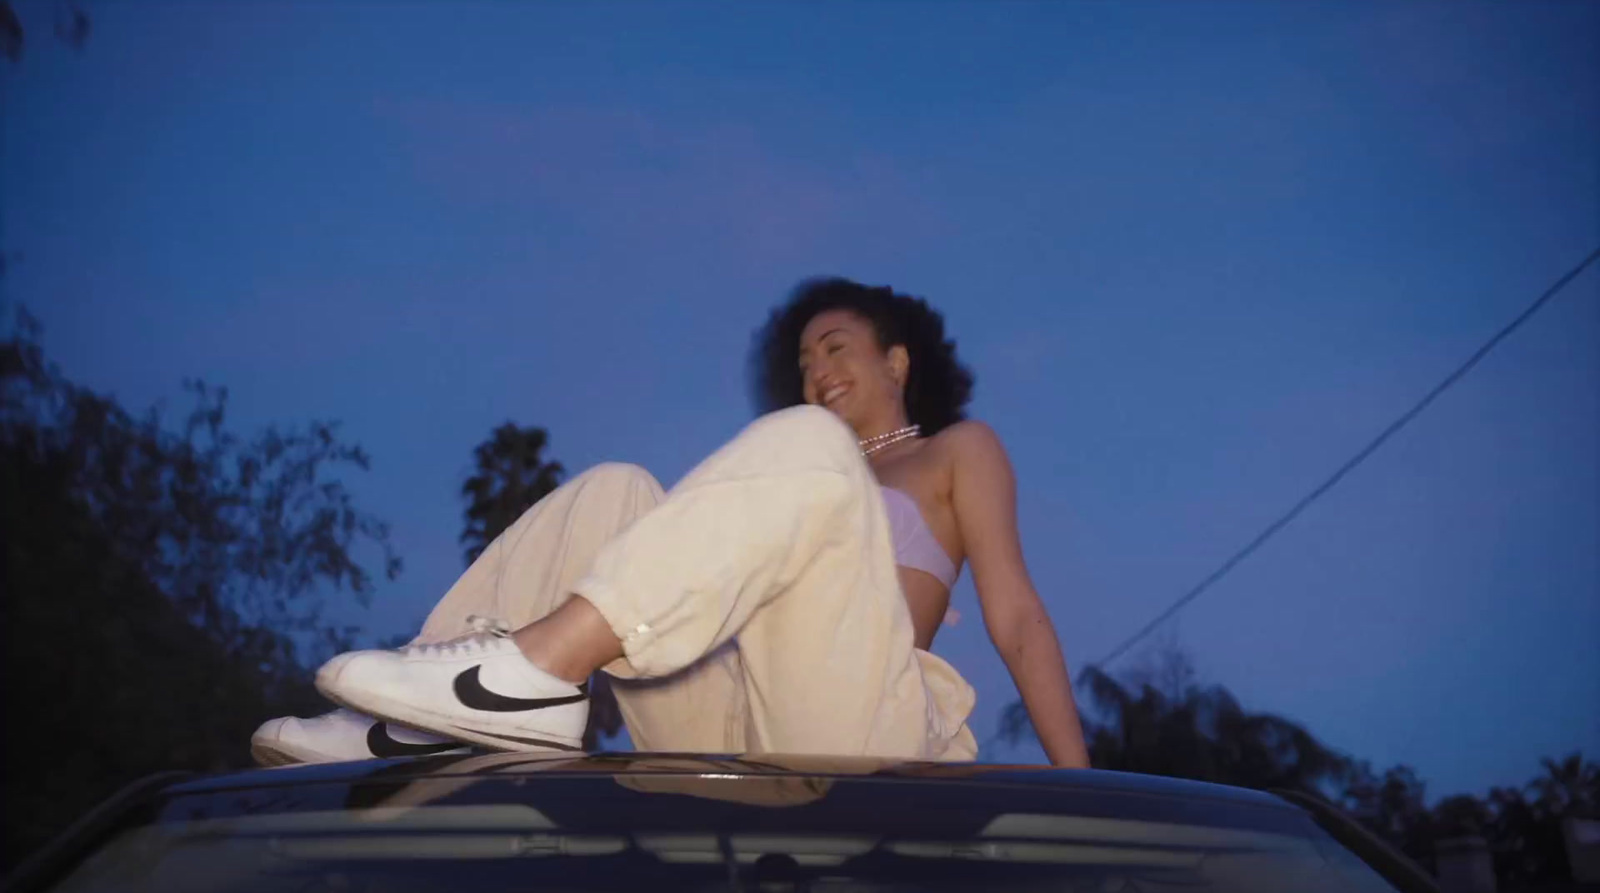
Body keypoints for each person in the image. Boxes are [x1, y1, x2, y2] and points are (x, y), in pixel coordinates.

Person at [251, 278, 1089, 768]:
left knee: (808, 448)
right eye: (805, 362)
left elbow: (1016, 618)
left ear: (896, 361)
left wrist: (1083, 791)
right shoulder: (802, 467)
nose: (818, 371)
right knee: (617, 488)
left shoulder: (956, 451)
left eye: (835, 347)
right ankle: (418, 725)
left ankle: (531, 677)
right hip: (727, 717)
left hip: (853, 724)